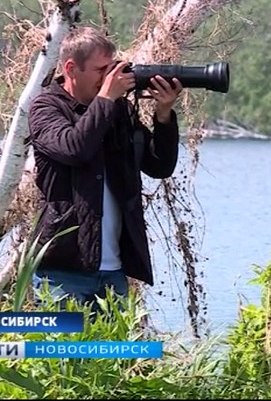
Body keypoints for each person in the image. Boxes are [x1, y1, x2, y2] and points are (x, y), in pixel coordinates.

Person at [26, 26, 183, 312]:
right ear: (72, 68)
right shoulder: (45, 107)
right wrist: (106, 99)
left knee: (112, 357)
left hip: (114, 272)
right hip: (62, 271)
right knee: (62, 357)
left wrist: (163, 115)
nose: (110, 78)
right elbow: (74, 148)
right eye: (101, 70)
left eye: (112, 69)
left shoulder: (117, 110)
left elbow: (159, 166)